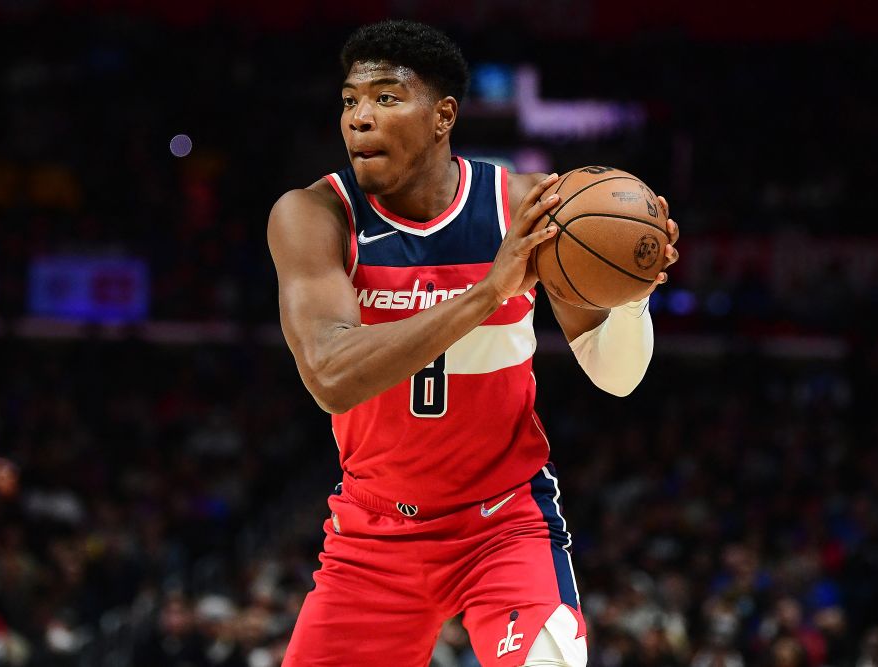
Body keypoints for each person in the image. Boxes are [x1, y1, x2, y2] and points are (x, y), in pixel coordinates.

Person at [267, 19, 680, 667]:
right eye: (351, 101)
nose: (359, 119)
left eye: (386, 98)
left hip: (503, 522)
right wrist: (488, 293)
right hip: (374, 532)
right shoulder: (314, 216)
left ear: (443, 116)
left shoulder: (524, 206)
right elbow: (329, 375)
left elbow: (616, 375)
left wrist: (633, 295)